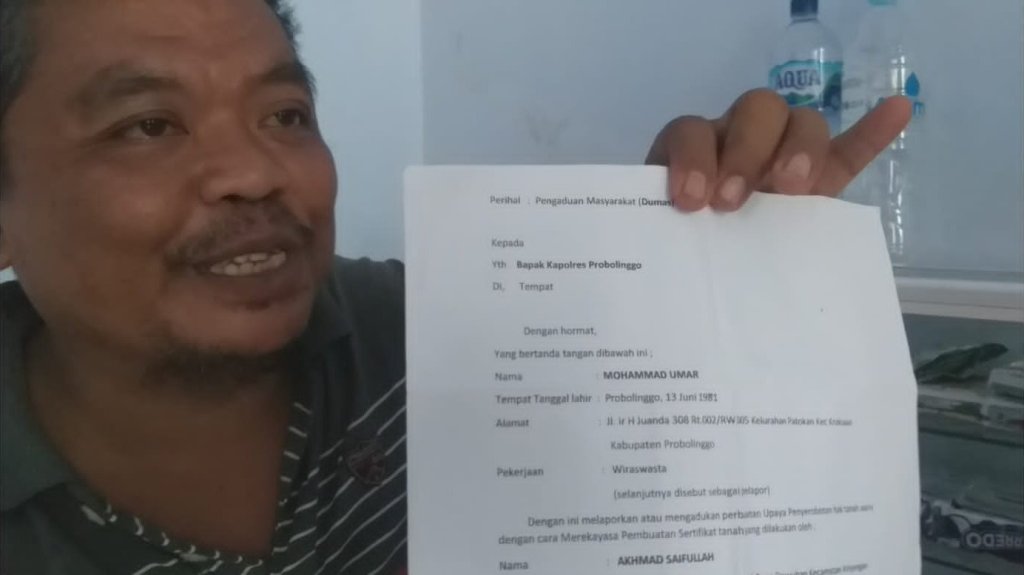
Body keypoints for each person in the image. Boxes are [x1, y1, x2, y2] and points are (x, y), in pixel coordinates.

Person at [0, 0, 911, 573]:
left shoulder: (456, 328)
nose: (255, 171)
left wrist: (690, 273)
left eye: (285, 114)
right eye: (149, 125)